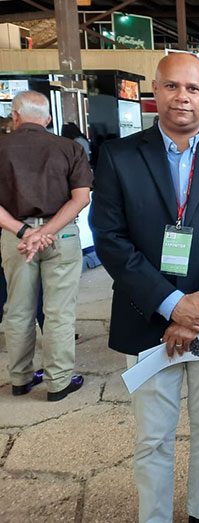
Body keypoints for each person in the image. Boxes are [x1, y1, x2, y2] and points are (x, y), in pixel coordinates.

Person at [90, 53, 199, 523]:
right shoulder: (120, 156)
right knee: (153, 436)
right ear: (155, 92)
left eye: (193, 88)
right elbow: (110, 238)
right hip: (146, 317)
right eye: (171, 87)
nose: (182, 97)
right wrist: (170, 305)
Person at [0, 91, 90, 401]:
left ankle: (20, 378)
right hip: (61, 236)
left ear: (15, 116)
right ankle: (58, 381)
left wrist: (25, 231)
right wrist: (46, 230)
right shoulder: (69, 148)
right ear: (48, 119)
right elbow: (81, 198)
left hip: (16, 238)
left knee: (17, 309)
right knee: (58, 311)